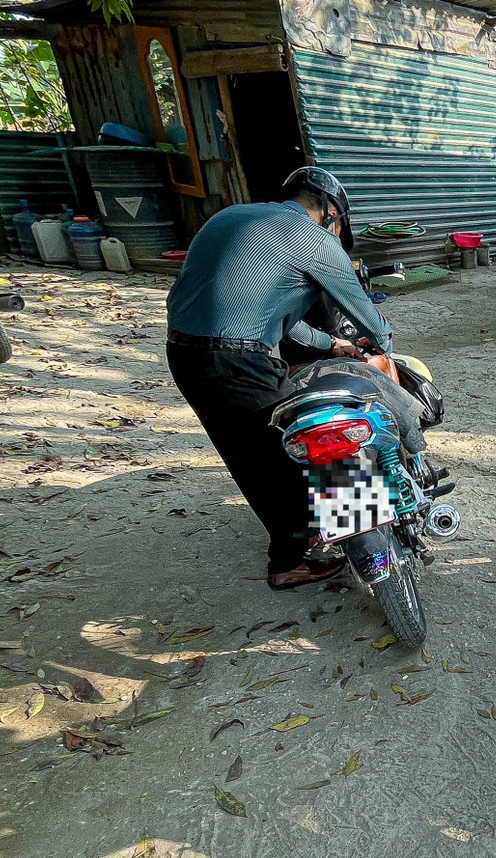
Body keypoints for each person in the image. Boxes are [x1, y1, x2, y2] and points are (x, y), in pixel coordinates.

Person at [164, 167, 392, 590]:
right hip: (237, 361)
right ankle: (290, 560)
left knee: (248, 455)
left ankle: (306, 531)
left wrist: (331, 343)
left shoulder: (231, 217)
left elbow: (277, 318)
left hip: (184, 353)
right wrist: (383, 348)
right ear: (330, 212)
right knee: (303, 445)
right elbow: (370, 321)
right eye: (338, 226)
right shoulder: (317, 240)